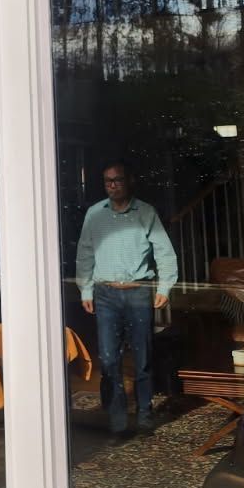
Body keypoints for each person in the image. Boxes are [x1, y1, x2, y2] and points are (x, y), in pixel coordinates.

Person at [75, 161, 178, 441]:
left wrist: (165, 287)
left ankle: (144, 414)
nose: (112, 185)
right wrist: (85, 290)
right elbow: (85, 252)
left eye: (117, 180)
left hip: (137, 291)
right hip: (105, 293)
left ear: (129, 181)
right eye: (107, 181)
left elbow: (164, 252)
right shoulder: (95, 214)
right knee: (108, 358)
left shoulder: (145, 213)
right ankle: (117, 419)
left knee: (142, 356)